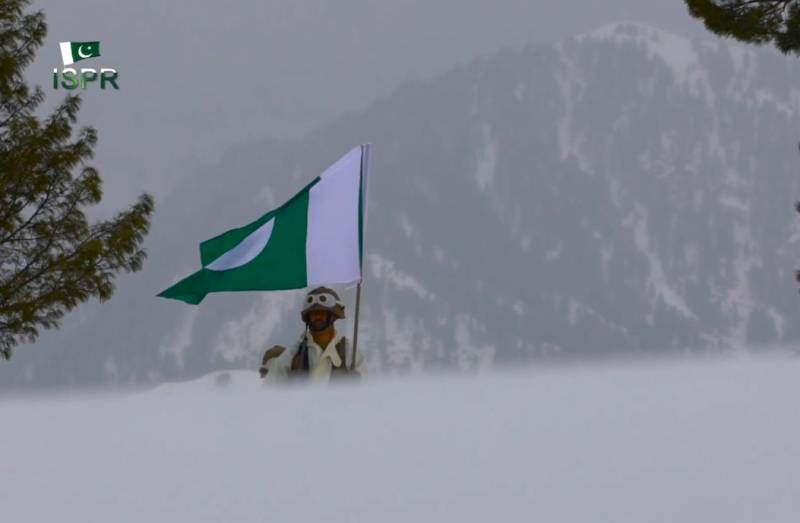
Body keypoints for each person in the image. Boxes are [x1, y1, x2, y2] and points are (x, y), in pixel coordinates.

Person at [259, 286, 364, 383]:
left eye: (322, 313)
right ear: (308, 317)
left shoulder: (349, 352)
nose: (317, 317)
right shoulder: (293, 354)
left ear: (332, 316)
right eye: (314, 314)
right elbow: (269, 393)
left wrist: (355, 388)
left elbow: (367, 395)